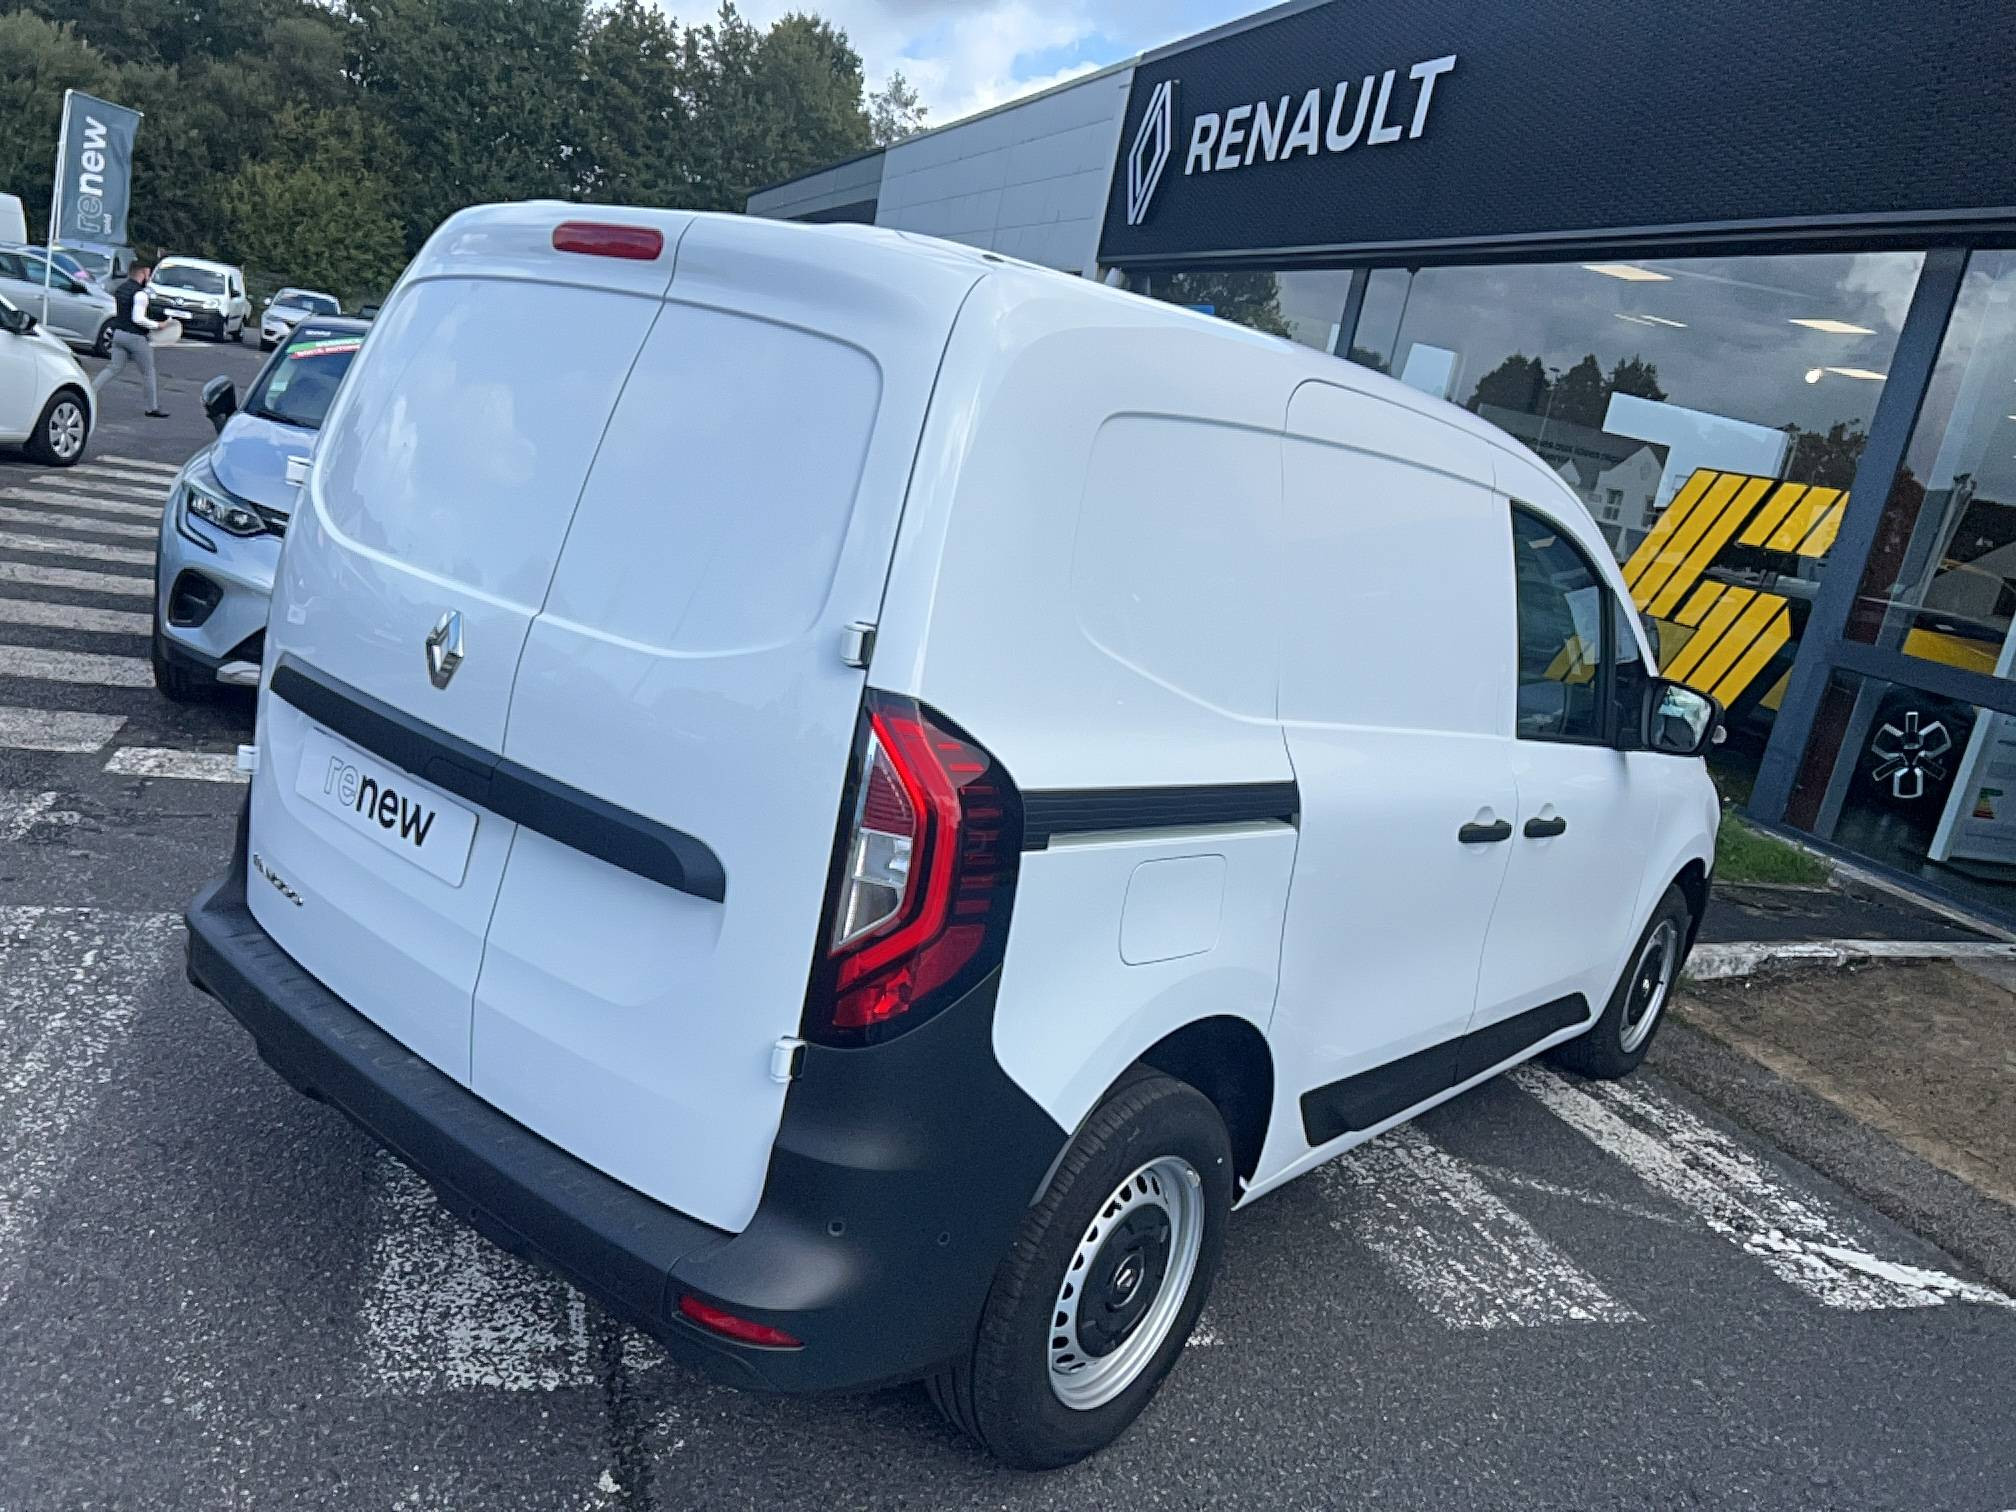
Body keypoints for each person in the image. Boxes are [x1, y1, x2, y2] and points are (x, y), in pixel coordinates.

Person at [95, 256, 169, 418]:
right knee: (148, 372)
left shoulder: (121, 289)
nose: (149, 277)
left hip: (118, 334)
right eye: (148, 273)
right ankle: (152, 408)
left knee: (113, 368)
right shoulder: (140, 294)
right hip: (135, 337)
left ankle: (91, 391)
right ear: (143, 272)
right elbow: (138, 318)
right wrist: (158, 325)